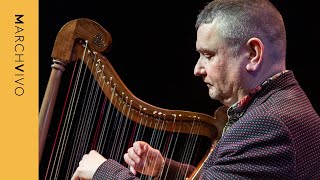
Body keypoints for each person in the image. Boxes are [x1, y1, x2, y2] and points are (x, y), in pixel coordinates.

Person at [71, 0, 320, 179]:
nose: (197, 69)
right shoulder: (284, 104)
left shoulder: (268, 125)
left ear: (253, 53)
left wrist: (104, 172)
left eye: (208, 55)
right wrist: (164, 169)